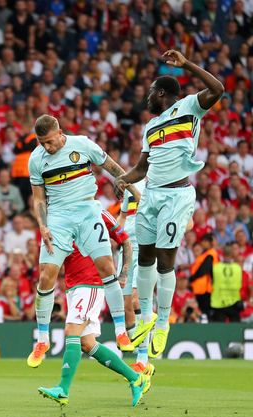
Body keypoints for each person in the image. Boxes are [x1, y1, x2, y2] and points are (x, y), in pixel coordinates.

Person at [116, 50, 224, 358]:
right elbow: (142, 167)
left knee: (166, 260)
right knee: (146, 258)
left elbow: (218, 90)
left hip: (176, 196)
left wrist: (188, 64)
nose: (147, 97)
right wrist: (123, 179)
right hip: (150, 194)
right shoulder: (150, 127)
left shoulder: (189, 107)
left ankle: (163, 322)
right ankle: (147, 319)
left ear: (161, 92)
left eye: (151, 92)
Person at [28, 114, 140, 367]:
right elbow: (38, 198)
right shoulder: (36, 159)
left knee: (107, 268)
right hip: (58, 217)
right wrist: (43, 225)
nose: (46, 147)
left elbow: (113, 168)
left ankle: (121, 330)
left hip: (88, 211)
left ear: (59, 133)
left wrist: (135, 193)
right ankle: (42, 339)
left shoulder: (83, 144)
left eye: (49, 141)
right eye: (41, 142)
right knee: (46, 274)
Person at [36, 237, 151, 407]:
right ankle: (136, 379)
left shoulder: (96, 214)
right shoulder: (61, 221)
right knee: (87, 343)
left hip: (90, 284)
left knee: (71, 332)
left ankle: (63, 389)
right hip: (73, 287)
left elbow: (125, 241)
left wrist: (123, 274)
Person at [117, 179, 154, 371]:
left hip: (146, 247)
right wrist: (113, 235)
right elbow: (123, 217)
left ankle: (142, 357)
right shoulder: (132, 186)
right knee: (126, 306)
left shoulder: (161, 185)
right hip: (125, 249)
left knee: (138, 299)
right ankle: (142, 350)